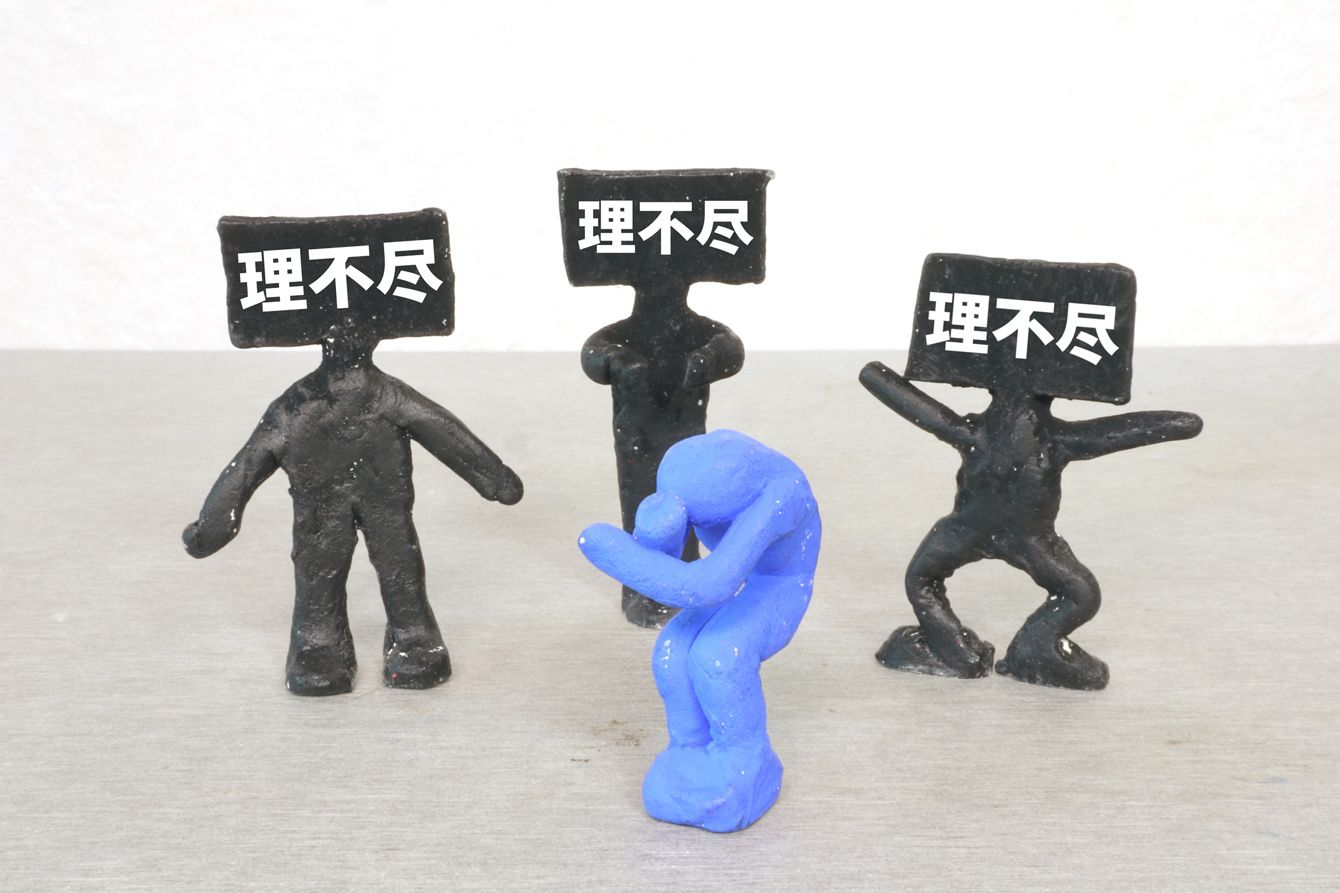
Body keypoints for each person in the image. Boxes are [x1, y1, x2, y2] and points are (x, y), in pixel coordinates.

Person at [183, 332, 522, 696]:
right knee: (344, 571)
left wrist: (210, 528)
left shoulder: (305, 404)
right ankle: (327, 643)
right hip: (329, 512)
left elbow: (439, 429)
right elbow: (438, 427)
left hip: (374, 507)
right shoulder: (312, 404)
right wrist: (495, 478)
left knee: (387, 568)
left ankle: (398, 637)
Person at [860, 361, 1201, 690]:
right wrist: (1179, 423)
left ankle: (998, 649)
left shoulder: (980, 432)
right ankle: (975, 648)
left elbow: (914, 405)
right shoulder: (1049, 438)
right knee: (1081, 595)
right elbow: (1118, 432)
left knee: (921, 578)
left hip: (992, 533)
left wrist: (874, 374)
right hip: (1010, 536)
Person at [579, 430, 820, 831]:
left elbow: (711, 584)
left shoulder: (781, 494)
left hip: (780, 585)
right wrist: (657, 530)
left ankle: (746, 762)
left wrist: (614, 553)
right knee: (671, 651)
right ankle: (688, 749)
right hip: (738, 577)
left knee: (720, 656)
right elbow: (670, 557)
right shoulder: (689, 482)